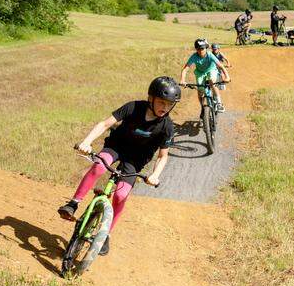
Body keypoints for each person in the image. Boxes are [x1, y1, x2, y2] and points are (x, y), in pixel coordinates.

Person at [57, 76, 179, 256]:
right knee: (99, 165)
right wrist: (87, 142)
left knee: (121, 195)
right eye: (162, 102)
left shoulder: (167, 126)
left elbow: (163, 156)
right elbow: (105, 124)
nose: (165, 108)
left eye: (170, 104)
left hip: (135, 160)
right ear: (151, 98)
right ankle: (73, 203)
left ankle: (106, 234)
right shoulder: (133, 107)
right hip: (116, 146)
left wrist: (155, 175)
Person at [180, 38, 230, 112]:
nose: (201, 51)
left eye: (202, 48)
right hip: (200, 72)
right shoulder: (194, 56)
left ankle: (219, 103)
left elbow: (220, 66)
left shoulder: (210, 54)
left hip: (211, 70)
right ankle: (202, 108)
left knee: (212, 82)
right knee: (200, 89)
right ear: (196, 49)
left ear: (206, 48)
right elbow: (185, 69)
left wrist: (227, 77)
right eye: (198, 49)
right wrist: (182, 80)